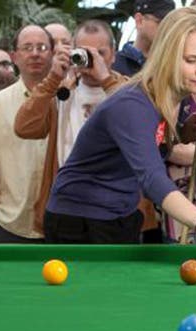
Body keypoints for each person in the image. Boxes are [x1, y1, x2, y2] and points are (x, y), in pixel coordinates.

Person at [43, 7, 196, 254]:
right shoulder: (132, 104)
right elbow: (152, 178)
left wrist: (184, 133)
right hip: (78, 219)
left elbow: (153, 142)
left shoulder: (175, 95)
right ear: (166, 56)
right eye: (191, 60)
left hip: (122, 212)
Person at [15, 20, 126, 233]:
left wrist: (106, 80)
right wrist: (53, 77)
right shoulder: (62, 91)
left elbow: (140, 129)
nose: (92, 59)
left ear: (113, 54)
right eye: (84, 52)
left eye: (100, 53)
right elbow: (24, 128)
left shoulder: (128, 91)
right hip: (67, 209)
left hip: (116, 210)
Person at [0, 25, 53, 243]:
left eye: (42, 47)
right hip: (9, 225)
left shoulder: (67, 100)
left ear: (52, 53)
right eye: (27, 47)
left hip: (60, 223)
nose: (35, 54)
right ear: (14, 56)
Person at [112, 0, 175, 76]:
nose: (166, 29)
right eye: (160, 23)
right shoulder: (113, 63)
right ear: (139, 21)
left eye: (170, 24)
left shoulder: (173, 65)